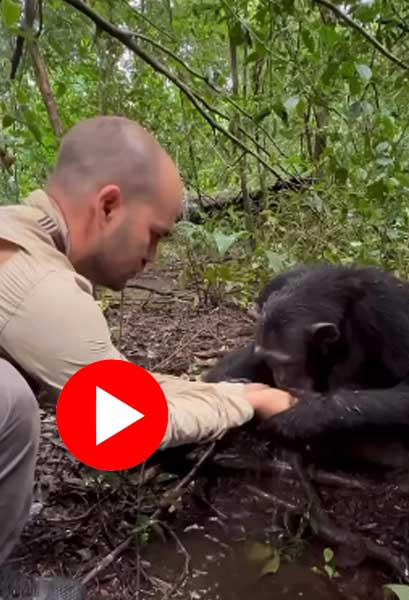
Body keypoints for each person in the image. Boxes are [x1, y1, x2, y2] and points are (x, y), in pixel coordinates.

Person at [0, 116, 295, 599]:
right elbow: (123, 421)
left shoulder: (18, 237)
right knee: (7, 395)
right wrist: (248, 405)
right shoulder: (38, 285)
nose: (154, 256)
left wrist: (226, 390)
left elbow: (116, 380)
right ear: (109, 206)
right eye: (155, 234)